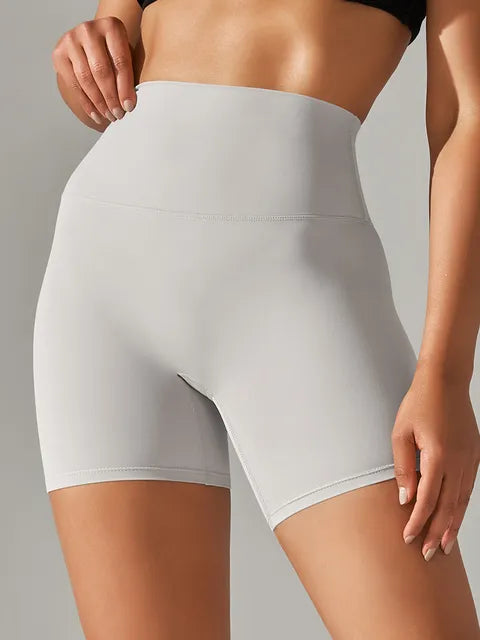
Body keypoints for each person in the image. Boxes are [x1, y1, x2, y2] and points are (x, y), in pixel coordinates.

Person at [33, 0, 480, 637]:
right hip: (102, 278)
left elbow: (467, 118)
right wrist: (78, 58)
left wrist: (448, 374)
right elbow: (111, 55)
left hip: (295, 286)